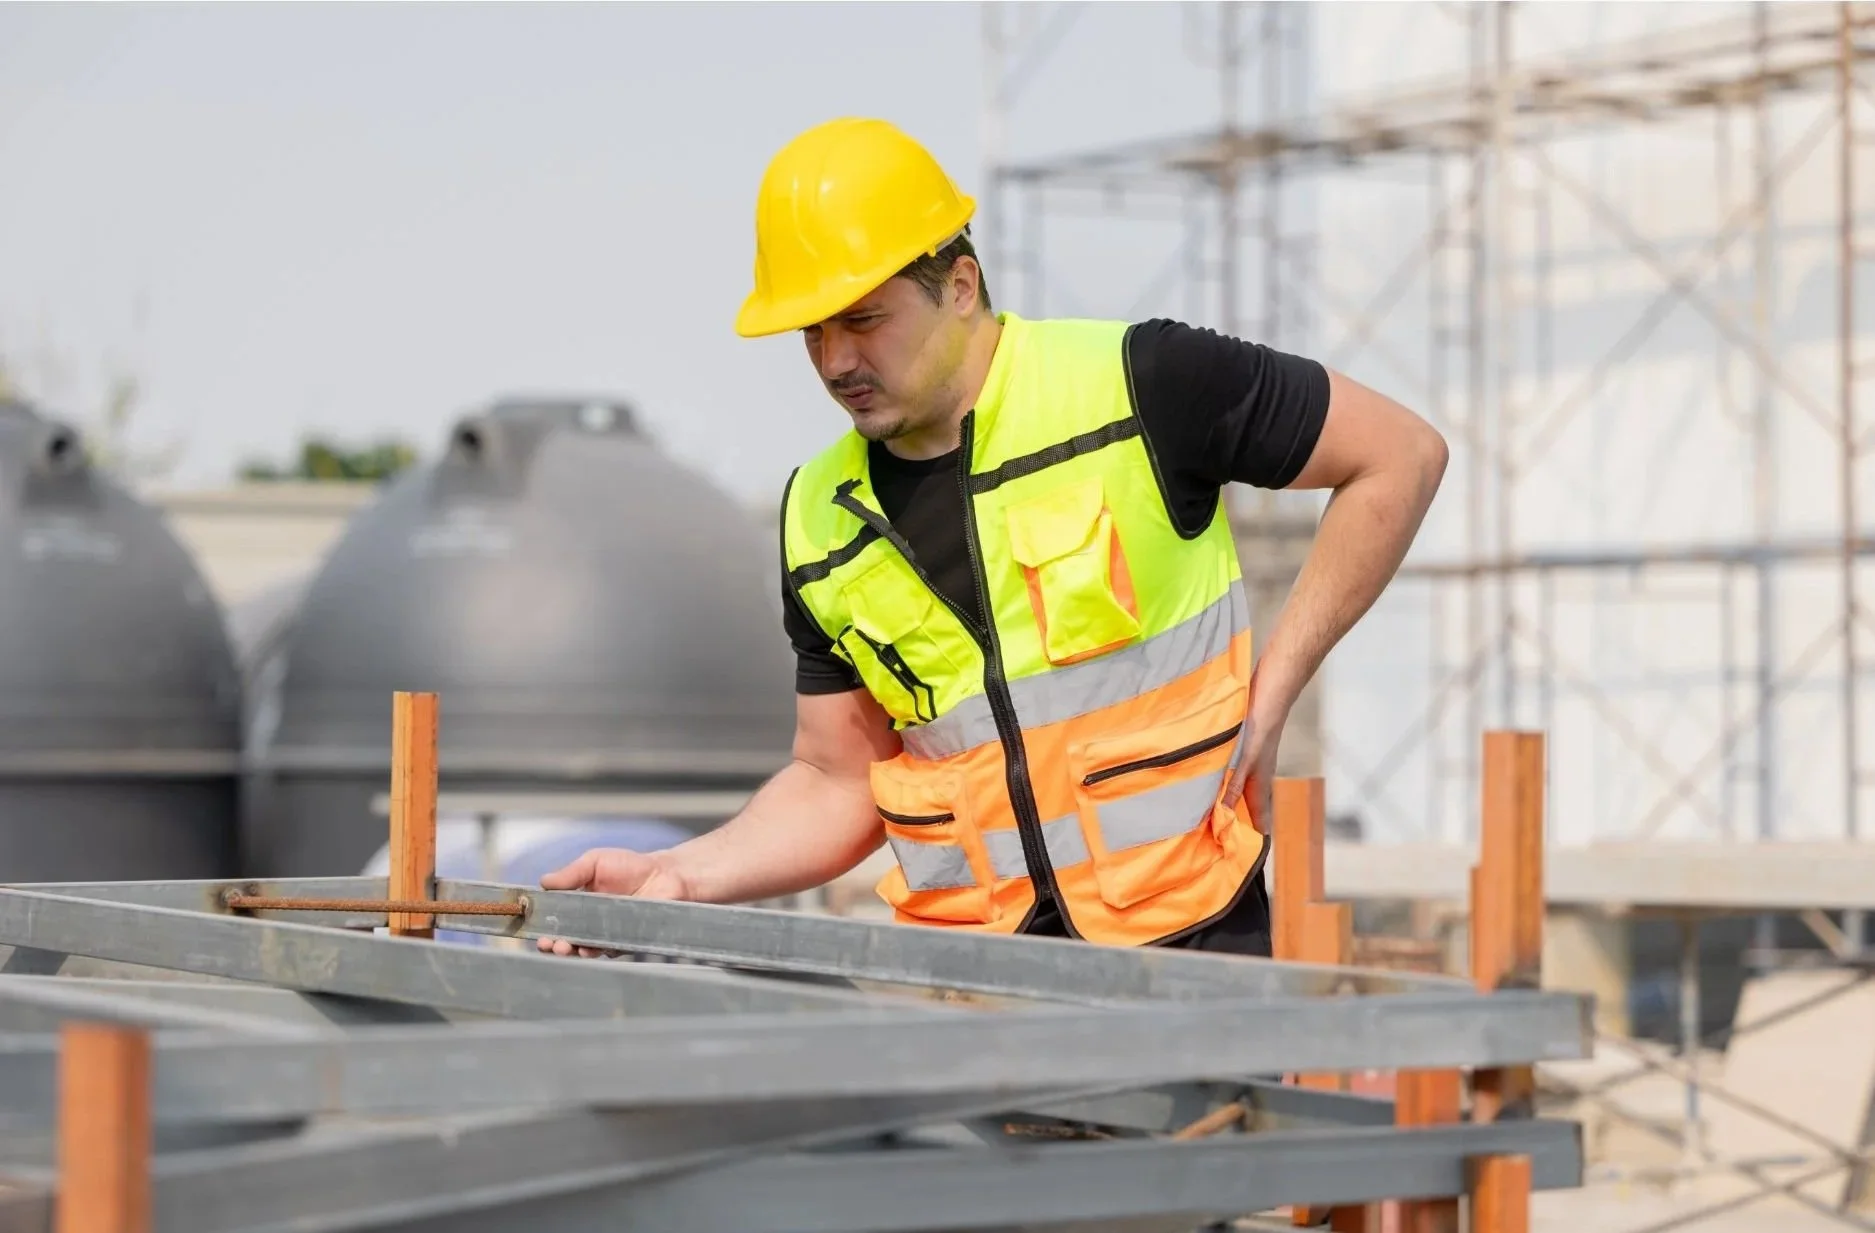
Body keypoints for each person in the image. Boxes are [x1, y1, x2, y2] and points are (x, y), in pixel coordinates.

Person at [537, 117, 1446, 959]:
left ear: (959, 284)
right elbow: (835, 779)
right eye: (811, 331)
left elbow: (1398, 456)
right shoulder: (817, 512)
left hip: (1191, 959)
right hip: (974, 992)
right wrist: (678, 875)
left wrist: (1274, 688)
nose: (836, 360)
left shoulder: (1141, 384)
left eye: (862, 318)